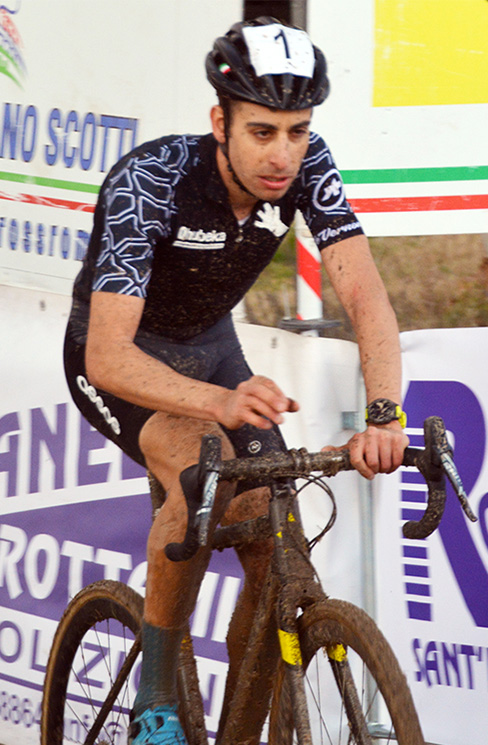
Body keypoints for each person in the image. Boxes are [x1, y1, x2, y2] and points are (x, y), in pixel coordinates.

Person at [63, 16, 409, 745]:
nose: (283, 154)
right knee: (200, 473)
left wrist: (384, 412)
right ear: (219, 121)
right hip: (125, 358)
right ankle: (154, 700)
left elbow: (365, 297)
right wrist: (217, 401)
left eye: (297, 130)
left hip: (212, 349)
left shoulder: (309, 166)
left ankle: (239, 730)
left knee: (273, 529)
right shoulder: (150, 180)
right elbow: (108, 356)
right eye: (261, 132)